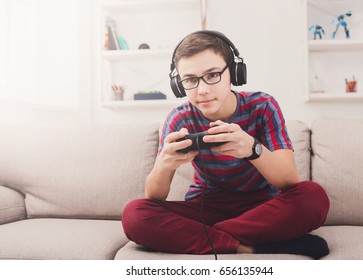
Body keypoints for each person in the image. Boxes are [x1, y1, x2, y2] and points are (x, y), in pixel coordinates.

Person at [122, 30, 330, 259]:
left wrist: (252, 149)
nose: (202, 90)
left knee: (314, 197)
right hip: (206, 207)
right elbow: (153, 197)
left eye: (212, 75)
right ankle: (250, 246)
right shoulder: (179, 118)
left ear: (234, 72)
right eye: (190, 80)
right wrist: (164, 165)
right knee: (134, 215)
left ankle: (205, 238)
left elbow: (289, 180)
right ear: (179, 85)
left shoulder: (263, 106)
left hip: (263, 209)